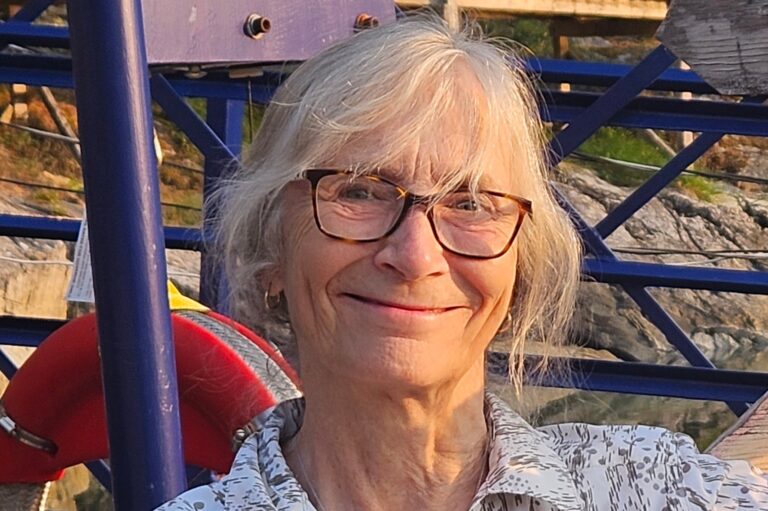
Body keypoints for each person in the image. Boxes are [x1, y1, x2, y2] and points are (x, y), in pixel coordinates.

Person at [157, 16, 768, 511]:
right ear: (271, 249)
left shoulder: (658, 489)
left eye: (471, 203)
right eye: (359, 191)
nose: (415, 255)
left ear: (520, 268)